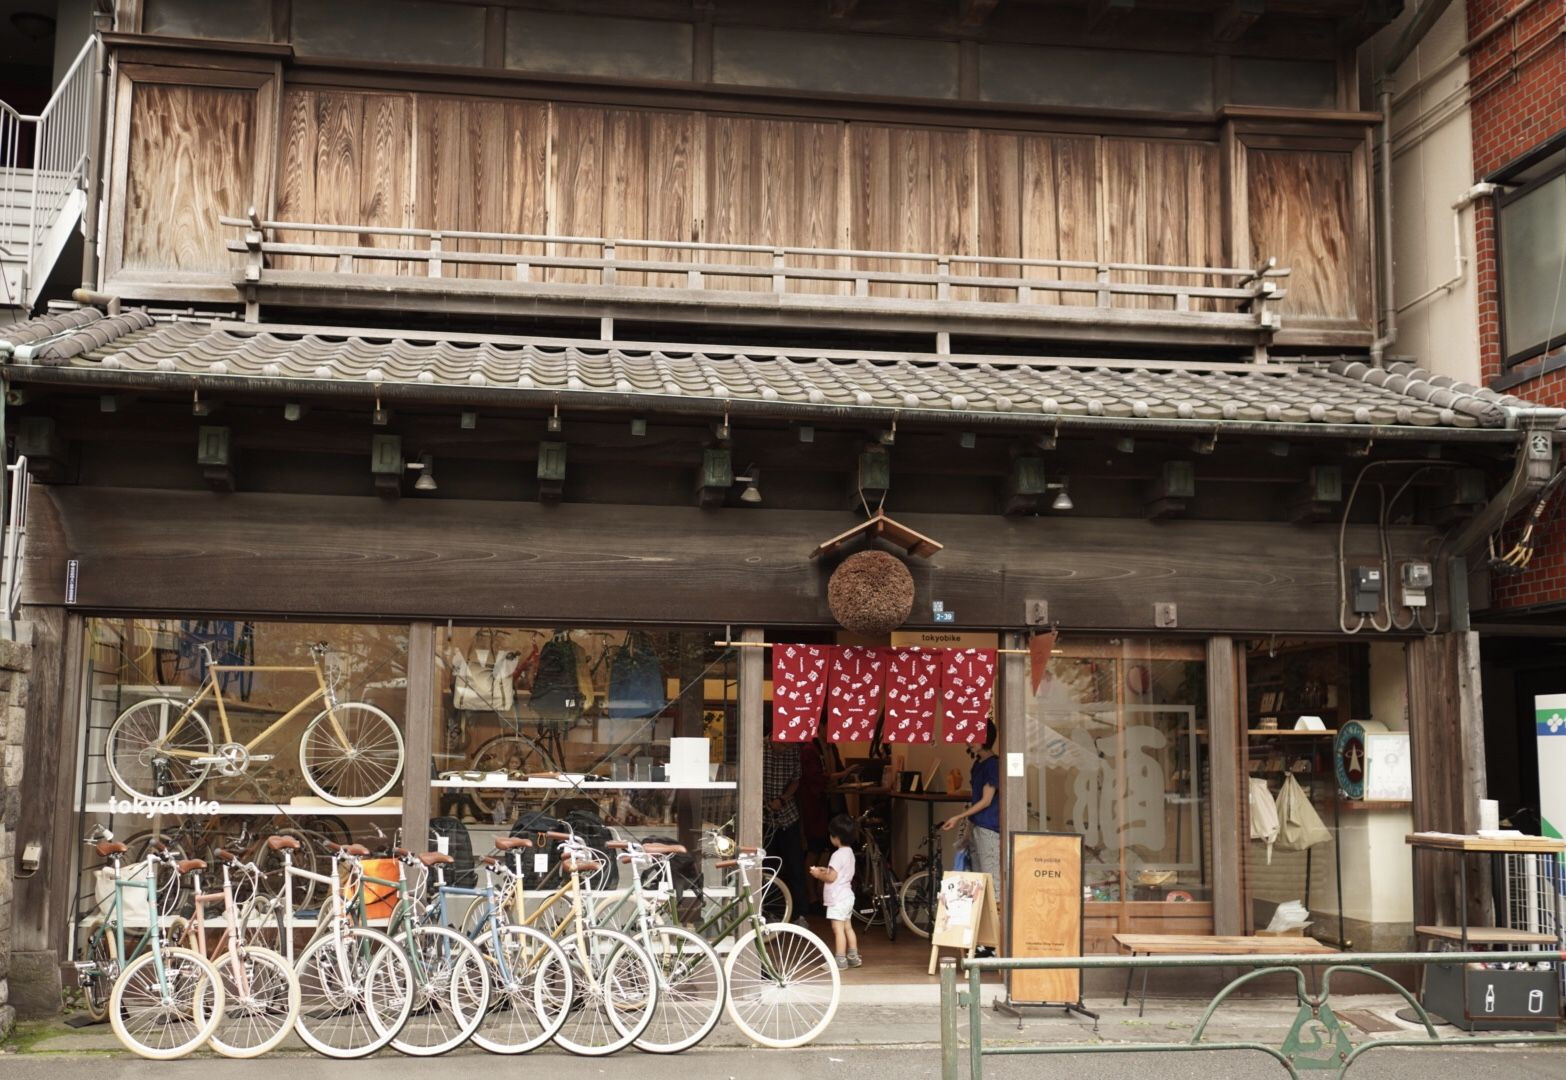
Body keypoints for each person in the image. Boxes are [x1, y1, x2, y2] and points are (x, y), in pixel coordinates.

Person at [762, 720, 811, 927]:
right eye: (783, 745)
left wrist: (782, 799)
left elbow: (796, 780)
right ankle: (769, 913)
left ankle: (800, 914)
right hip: (764, 816)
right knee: (767, 866)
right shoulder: (758, 748)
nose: (785, 749)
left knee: (795, 865)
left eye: (789, 745)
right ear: (774, 735)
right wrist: (767, 803)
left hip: (787, 814)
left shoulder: (793, 751)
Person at [941, 721, 1000, 879]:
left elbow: (986, 800)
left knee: (990, 879)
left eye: (974, 737)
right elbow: (979, 796)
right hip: (977, 826)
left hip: (989, 829)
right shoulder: (978, 764)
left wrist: (959, 817)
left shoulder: (993, 765)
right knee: (978, 880)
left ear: (986, 737)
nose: (969, 741)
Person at [810, 813, 861, 969]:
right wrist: (826, 870)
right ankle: (853, 956)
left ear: (836, 837)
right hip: (847, 896)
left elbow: (831, 877)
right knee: (848, 927)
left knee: (838, 929)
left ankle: (840, 960)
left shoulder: (837, 855)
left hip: (837, 898)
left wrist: (818, 875)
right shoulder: (849, 852)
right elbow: (840, 873)